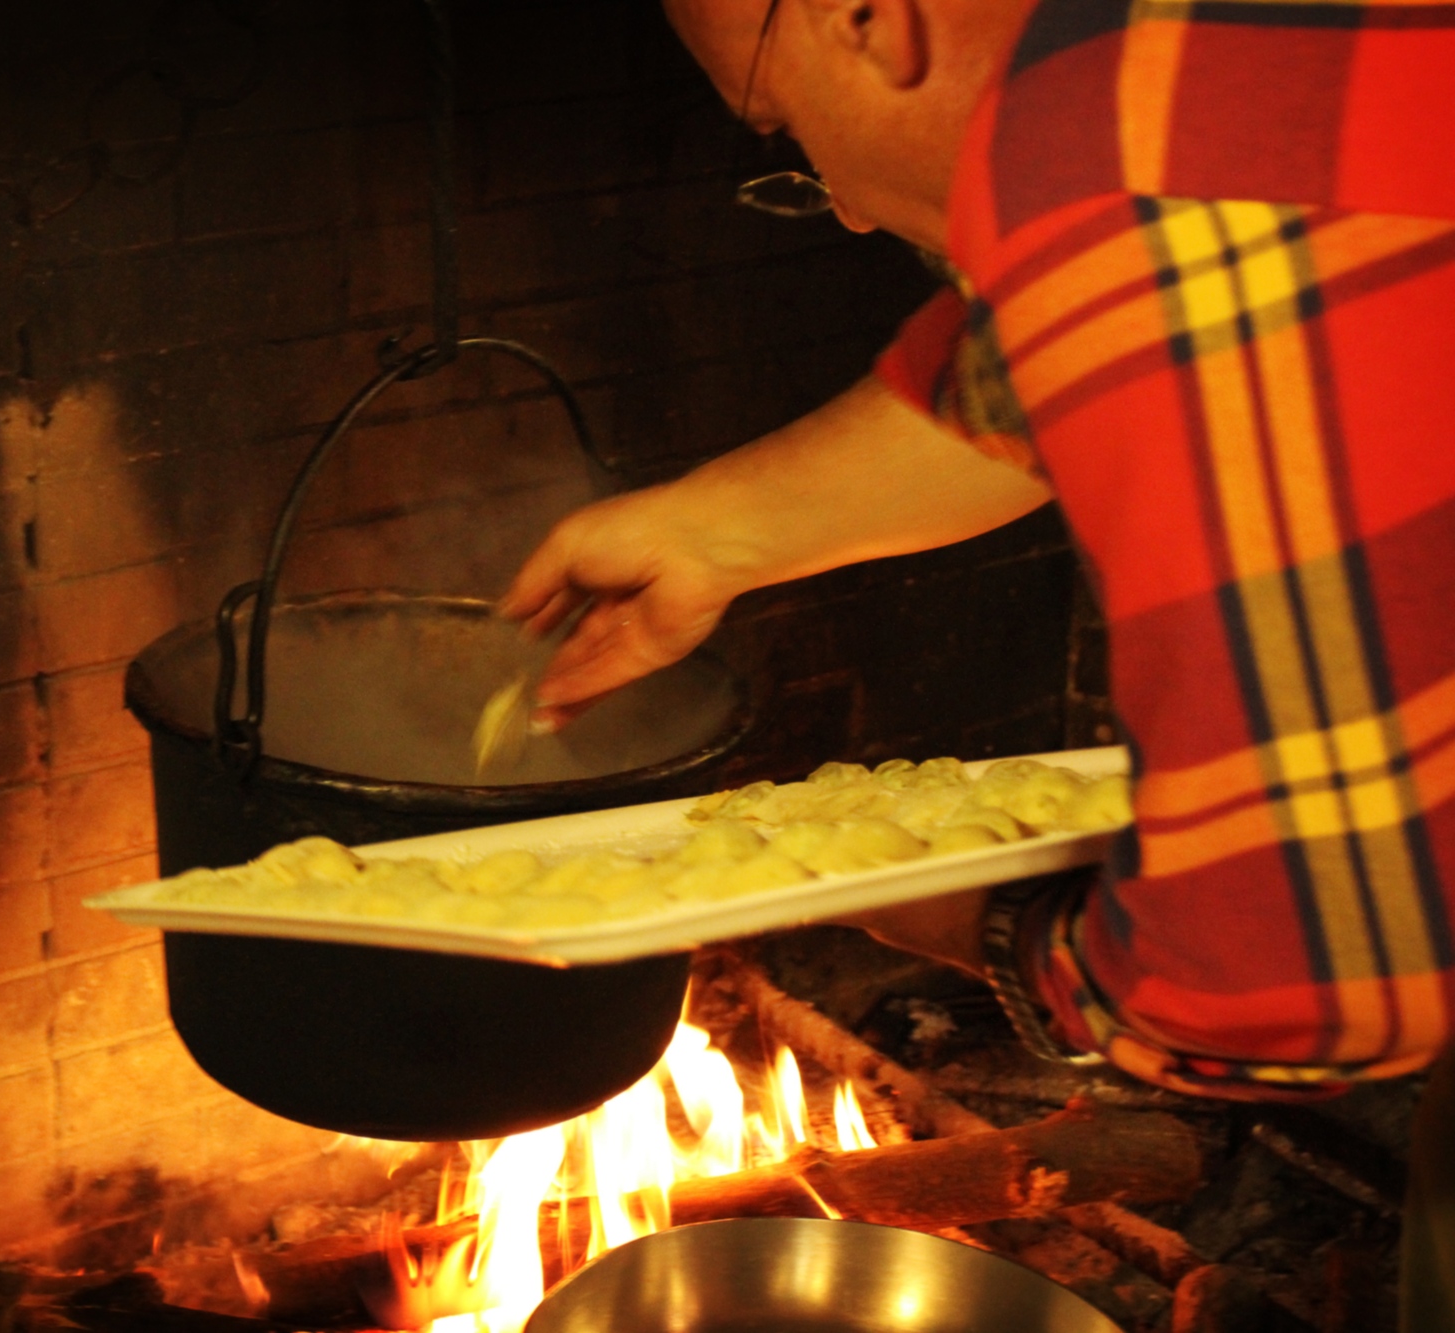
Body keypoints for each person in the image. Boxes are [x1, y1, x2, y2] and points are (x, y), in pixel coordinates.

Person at [504, 0, 1455, 1316]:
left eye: (779, 125)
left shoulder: (1125, 177)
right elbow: (1060, 353)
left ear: (867, 16)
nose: (834, 205)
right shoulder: (1230, 65)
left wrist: (970, 920)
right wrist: (715, 532)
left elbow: (1296, 966)